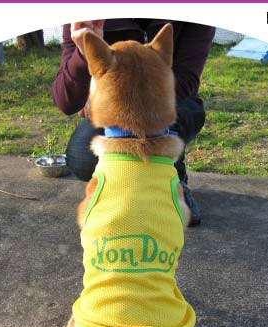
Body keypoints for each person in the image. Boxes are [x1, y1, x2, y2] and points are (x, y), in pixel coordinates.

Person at [52, 19, 215, 226]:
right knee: (82, 157)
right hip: (118, 113)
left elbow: (186, 79)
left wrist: (109, 94)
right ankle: (164, 181)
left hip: (171, 103)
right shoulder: (85, 14)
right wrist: (83, 55)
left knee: (179, 116)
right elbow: (65, 101)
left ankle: (173, 172)